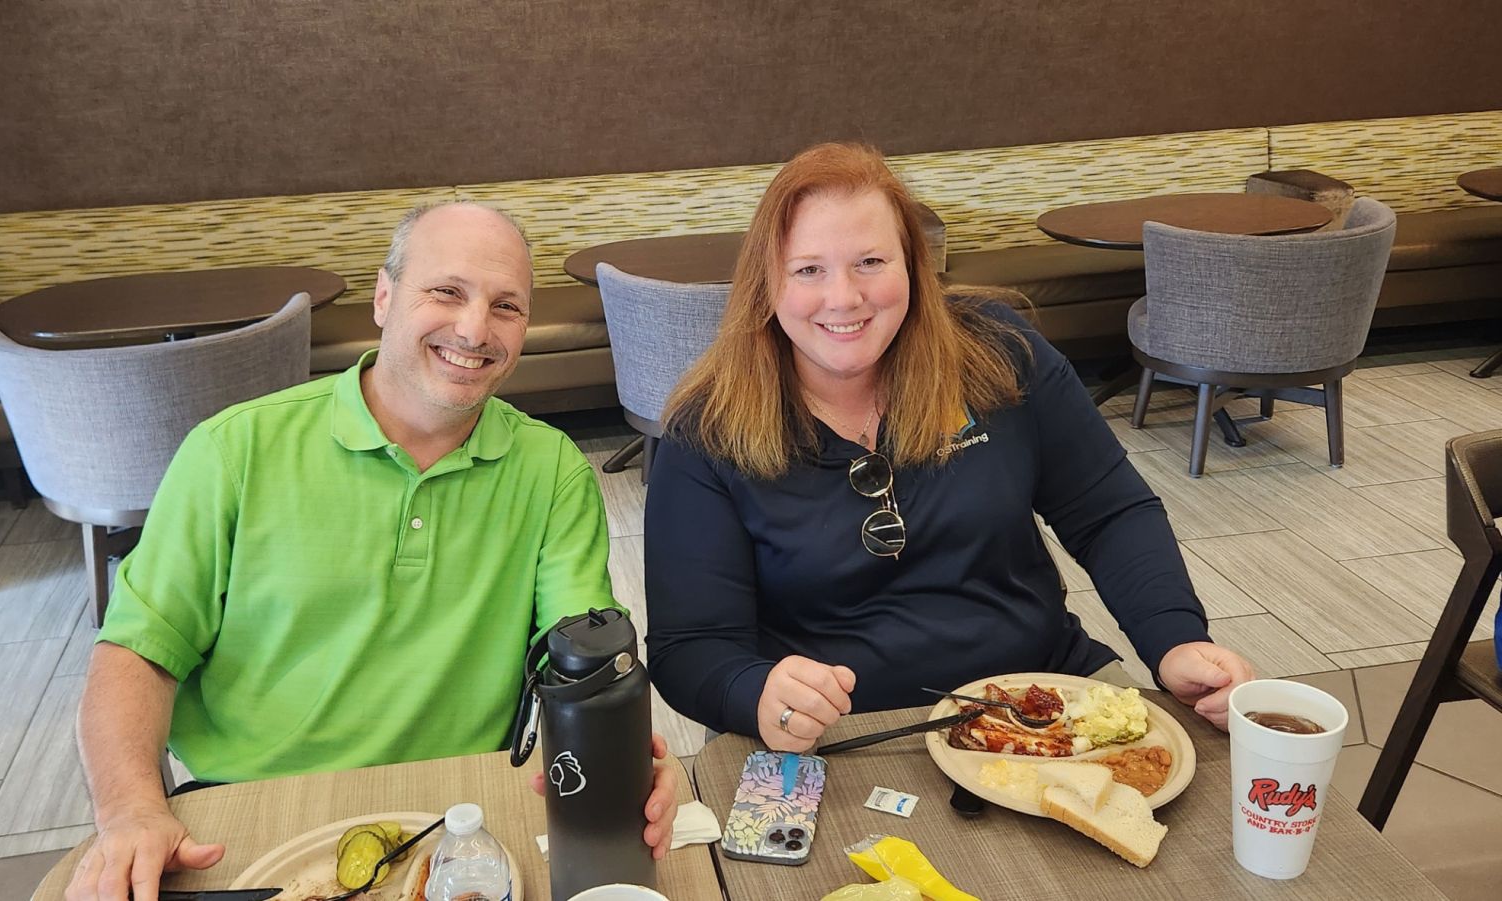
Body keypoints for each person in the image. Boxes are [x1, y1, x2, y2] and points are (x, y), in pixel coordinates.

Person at [66, 203, 677, 901]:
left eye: (506, 306)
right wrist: (131, 810)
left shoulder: (552, 470)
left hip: (458, 818)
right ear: (384, 298)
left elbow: (585, 660)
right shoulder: (233, 452)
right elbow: (137, 652)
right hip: (251, 812)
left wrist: (622, 754)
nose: (474, 329)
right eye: (446, 292)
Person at [643, 143, 1254, 754]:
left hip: (1038, 694)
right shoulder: (708, 431)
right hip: (844, 733)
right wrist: (754, 691)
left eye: (870, 261)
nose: (844, 297)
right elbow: (691, 648)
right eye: (808, 270)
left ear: (913, 264)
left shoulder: (999, 352)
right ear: (766, 282)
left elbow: (1108, 515)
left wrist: (1174, 639)